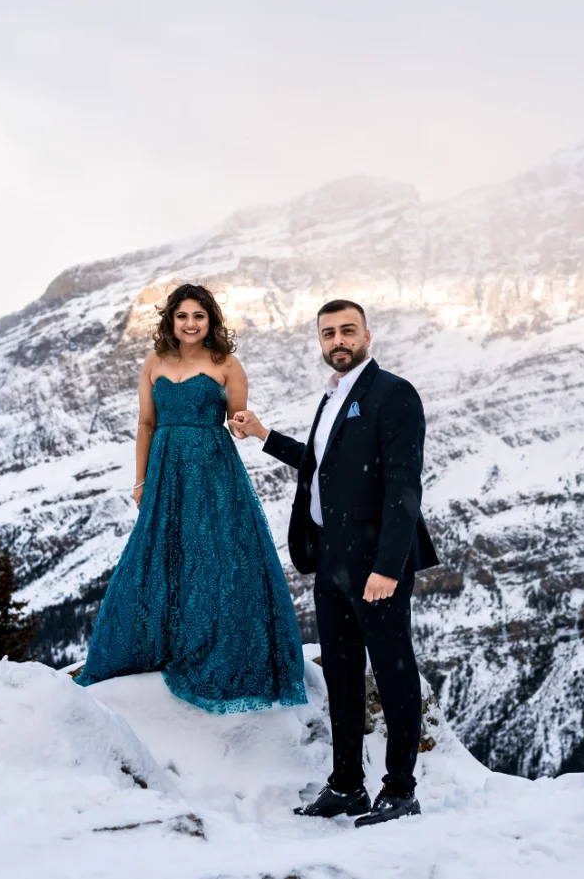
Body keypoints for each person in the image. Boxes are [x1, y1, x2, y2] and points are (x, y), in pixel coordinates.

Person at [230, 299, 438, 827]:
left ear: (368, 334)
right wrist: (263, 436)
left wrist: (388, 567)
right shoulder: (332, 396)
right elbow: (322, 467)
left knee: (393, 674)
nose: (338, 341)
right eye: (328, 334)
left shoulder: (393, 394)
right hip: (331, 561)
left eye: (347, 331)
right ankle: (347, 785)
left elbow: (403, 486)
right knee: (341, 676)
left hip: (376, 564)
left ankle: (400, 790)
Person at [74, 284, 307, 714]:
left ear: (211, 320)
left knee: (217, 557)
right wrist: (141, 481)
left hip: (214, 470)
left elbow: (237, 423)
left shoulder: (227, 364)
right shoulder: (153, 363)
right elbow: (146, 423)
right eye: (183, 316)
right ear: (171, 320)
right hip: (165, 471)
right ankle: (158, 642)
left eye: (199, 316)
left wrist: (245, 424)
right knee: (161, 555)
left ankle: (220, 647)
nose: (191, 324)